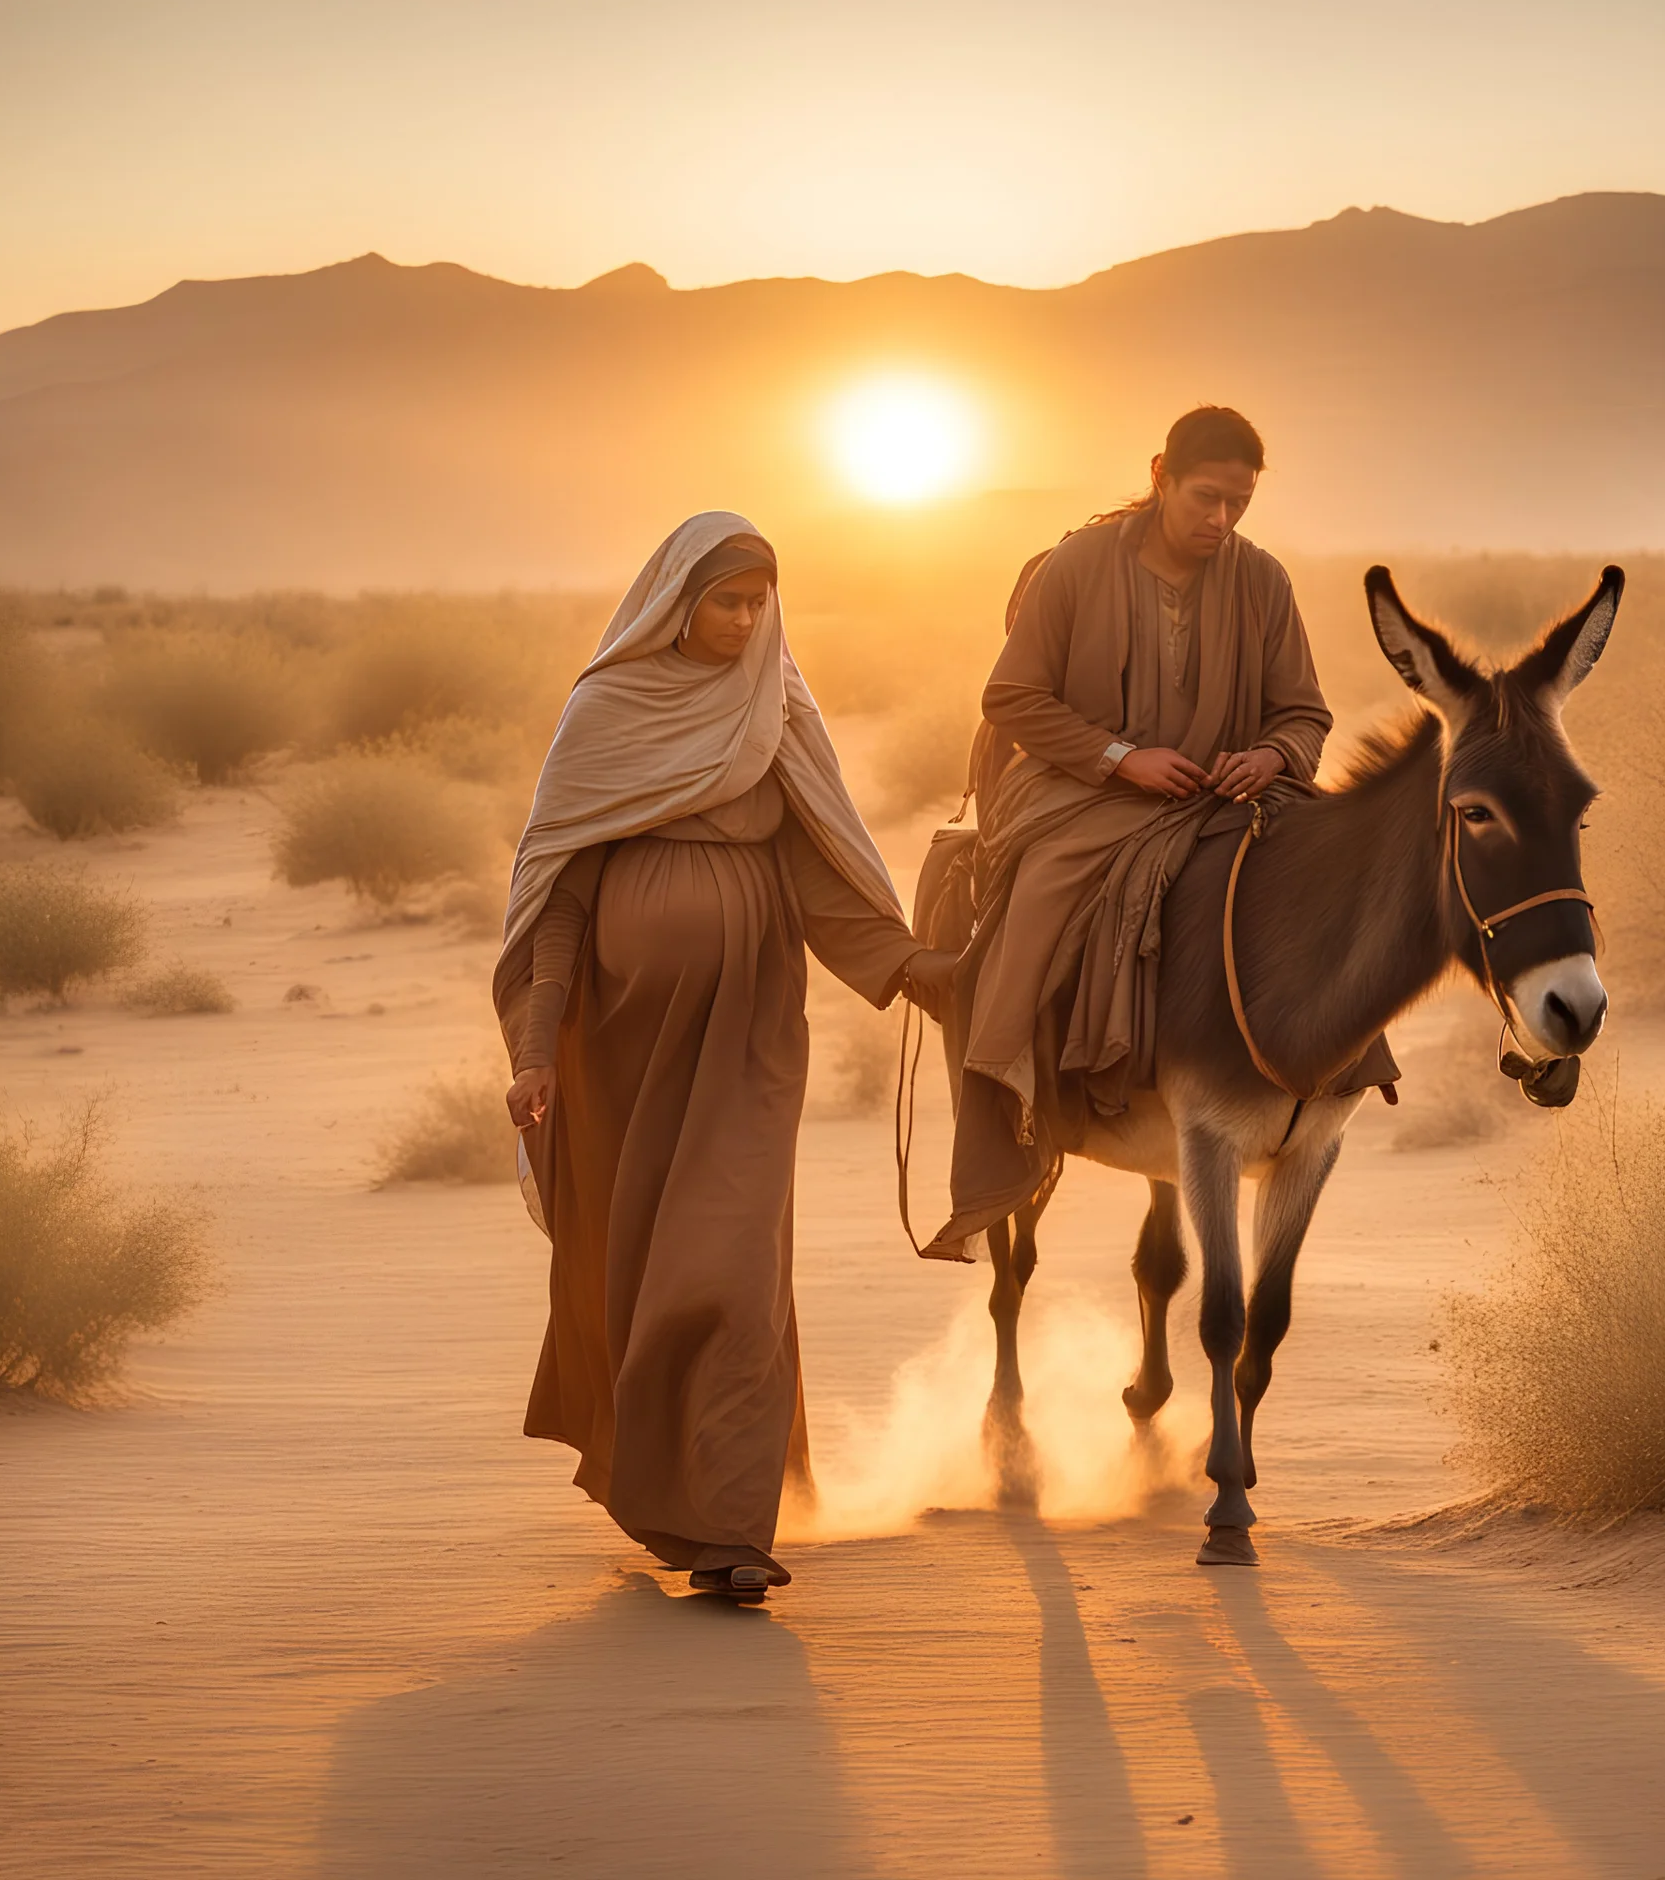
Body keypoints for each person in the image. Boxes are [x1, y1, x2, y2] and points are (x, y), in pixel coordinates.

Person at [494, 512, 954, 1601]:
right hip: (618, 1050)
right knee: (640, 1270)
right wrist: (533, 1047)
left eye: (759, 603)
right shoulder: (604, 710)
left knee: (732, 1267)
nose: (745, 622)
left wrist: (914, 971)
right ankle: (673, 1505)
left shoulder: (775, 707)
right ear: (675, 601)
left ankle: (734, 1532)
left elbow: (822, 874)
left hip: (749, 1031)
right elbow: (555, 898)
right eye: (726, 602)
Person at [933, 405, 1386, 1258]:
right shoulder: (1078, 565)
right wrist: (1120, 759)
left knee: (1328, 879)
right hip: (1080, 791)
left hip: (1227, 789)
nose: (1222, 521)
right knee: (1038, 900)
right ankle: (1016, 1091)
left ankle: (1336, 1070)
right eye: (1206, 499)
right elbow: (1014, 699)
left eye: (1239, 505)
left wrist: (1270, 755)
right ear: (1160, 476)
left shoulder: (1264, 581)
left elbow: (1305, 712)